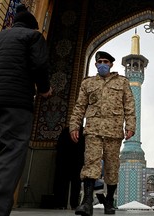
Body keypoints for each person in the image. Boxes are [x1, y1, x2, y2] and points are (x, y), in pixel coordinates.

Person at [0, 4, 52, 216]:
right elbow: (39, 66)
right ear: (35, 26)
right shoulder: (33, 37)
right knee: (11, 154)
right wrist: (45, 88)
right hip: (16, 103)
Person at [69, 51, 136, 216]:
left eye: (106, 61)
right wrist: (74, 125)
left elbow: (129, 105)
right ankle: (87, 203)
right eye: (99, 62)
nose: (102, 64)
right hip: (93, 130)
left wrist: (131, 126)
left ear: (111, 64)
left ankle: (109, 200)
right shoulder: (88, 84)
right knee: (91, 164)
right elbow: (79, 106)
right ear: (96, 64)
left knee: (112, 169)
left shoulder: (122, 82)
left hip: (113, 132)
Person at [53, 126, 85, 210]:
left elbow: (59, 146)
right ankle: (74, 204)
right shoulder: (82, 131)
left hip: (65, 160)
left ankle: (60, 204)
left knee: (63, 182)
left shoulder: (66, 130)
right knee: (75, 184)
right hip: (76, 161)